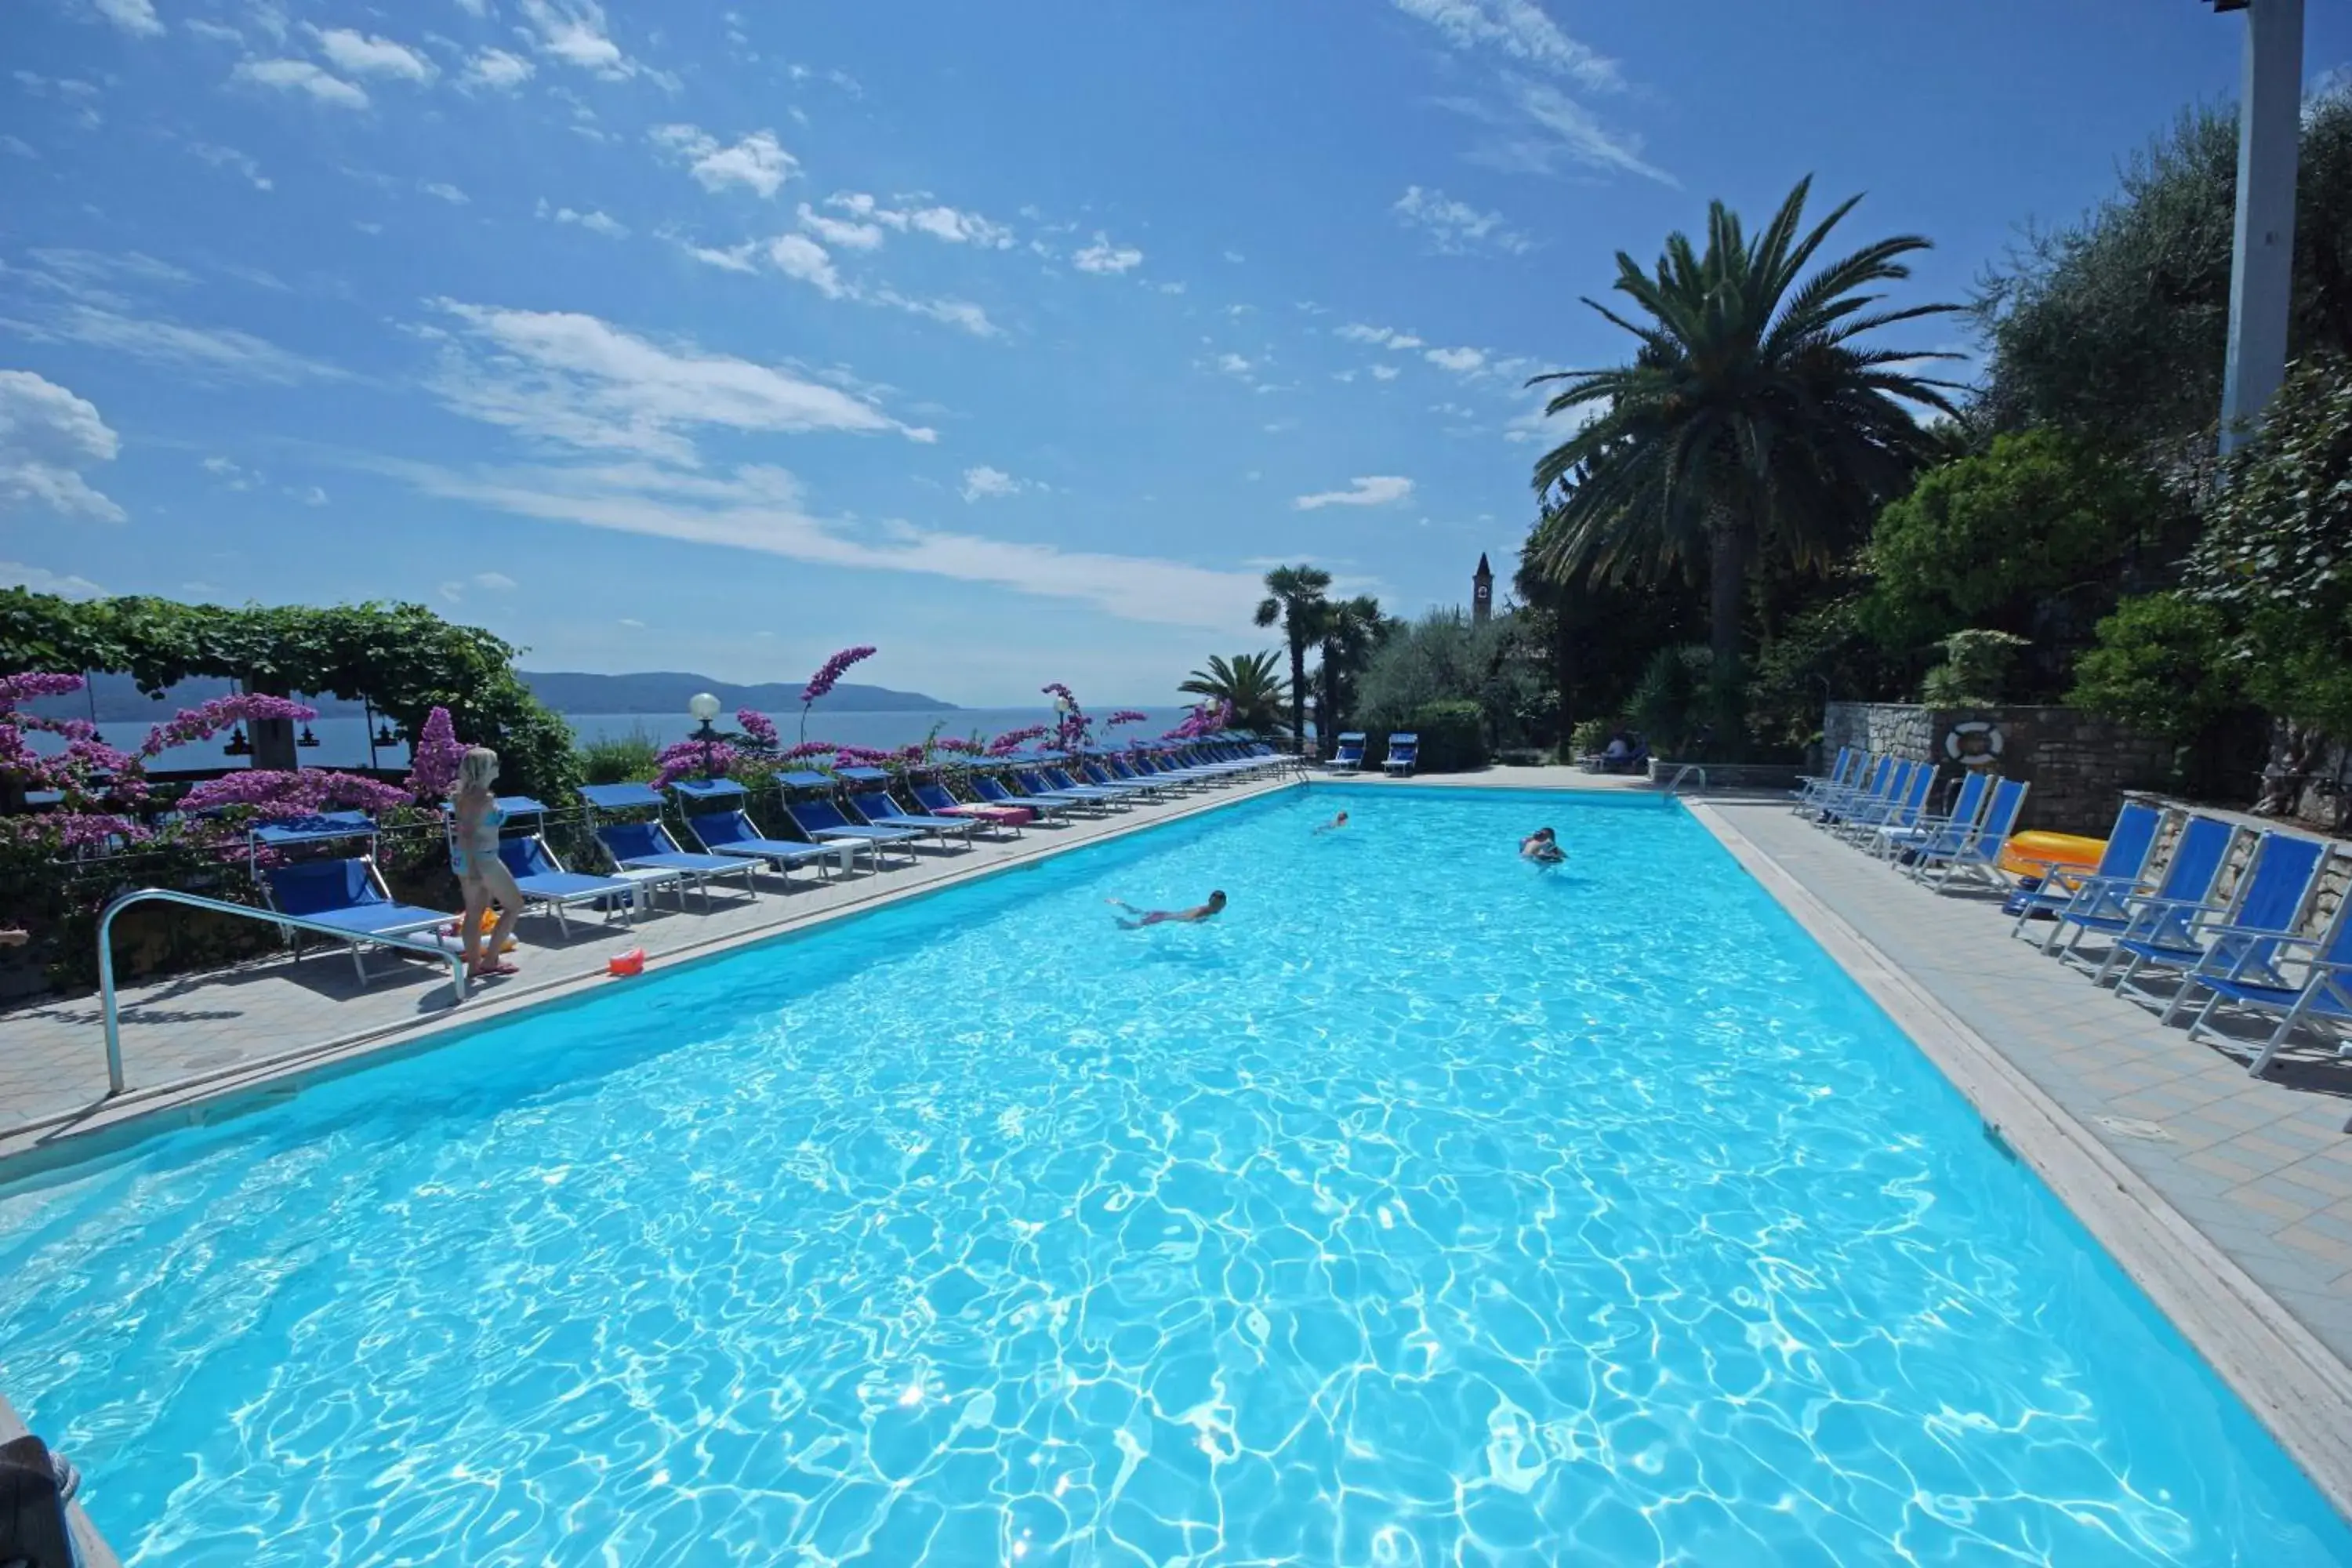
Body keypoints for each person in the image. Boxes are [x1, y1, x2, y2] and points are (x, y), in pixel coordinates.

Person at [450, 746, 525, 978]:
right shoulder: (482, 798)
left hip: (466, 859)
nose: (498, 767)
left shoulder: (462, 796)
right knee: (514, 906)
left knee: (474, 914)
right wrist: (474, 870)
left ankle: (474, 967)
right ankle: (491, 960)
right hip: (482, 859)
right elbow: (468, 834)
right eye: (494, 764)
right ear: (484, 770)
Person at [1108, 891, 1227, 929]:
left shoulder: (1206, 910)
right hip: (1161, 918)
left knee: (1139, 913)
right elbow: (1188, 920)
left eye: (1217, 905)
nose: (1214, 907)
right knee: (1133, 927)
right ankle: (1117, 919)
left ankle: (1121, 904)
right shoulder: (1204, 913)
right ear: (1209, 902)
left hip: (1162, 914)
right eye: (1213, 904)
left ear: (1224, 904)